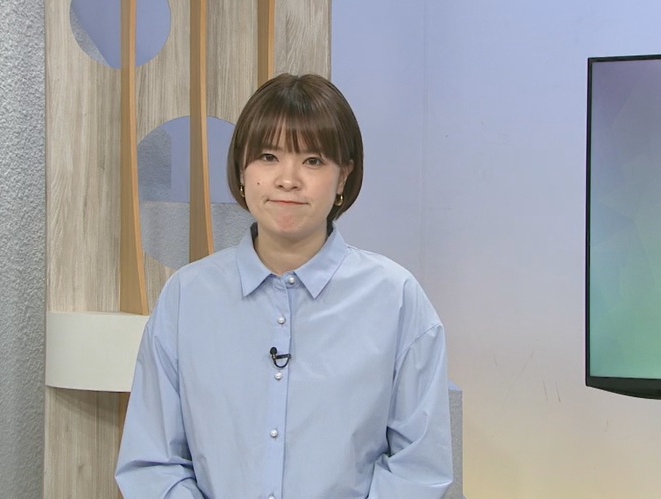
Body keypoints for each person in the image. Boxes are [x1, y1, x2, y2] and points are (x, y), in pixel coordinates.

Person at [116, 73, 453, 498]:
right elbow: (153, 464)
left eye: (313, 161)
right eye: (268, 157)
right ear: (242, 169)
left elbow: (418, 469)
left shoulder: (396, 299)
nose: (287, 179)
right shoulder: (187, 298)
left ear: (343, 177)